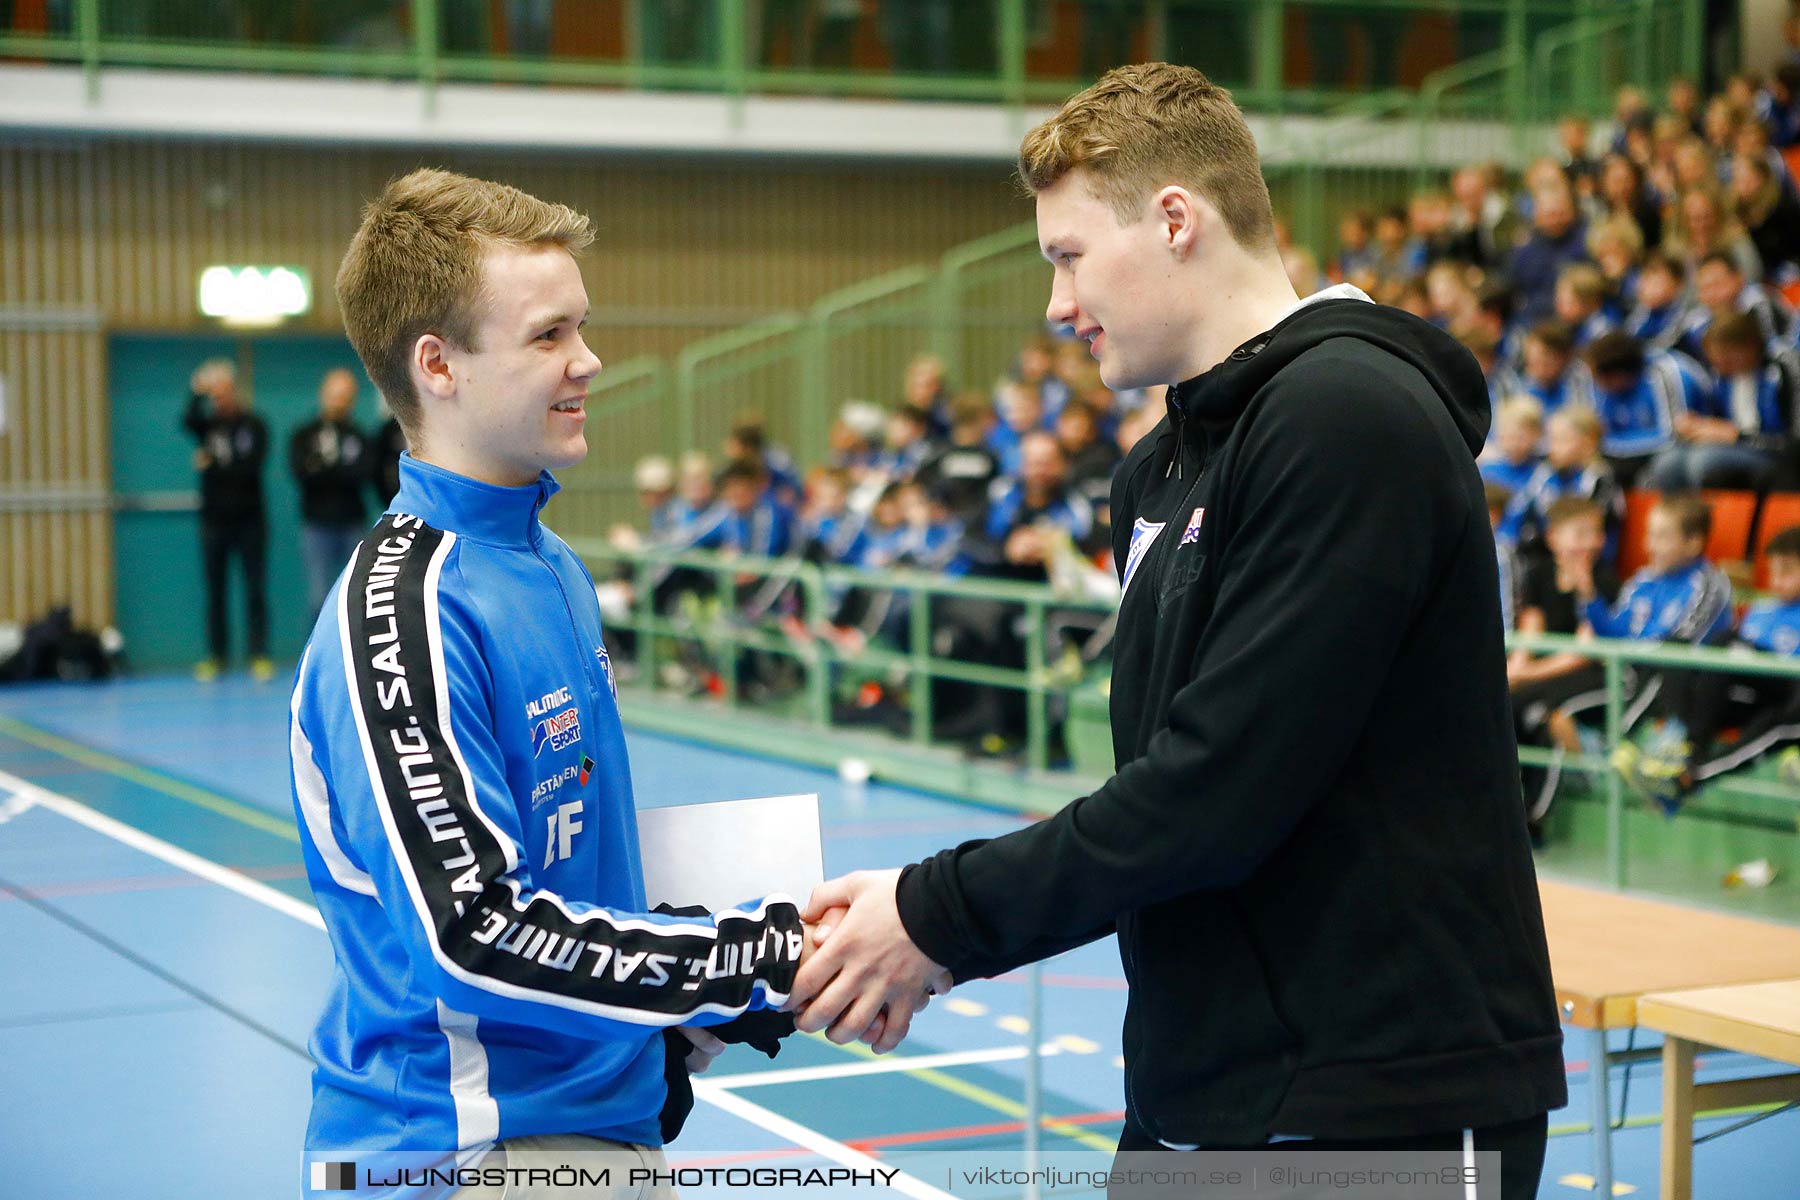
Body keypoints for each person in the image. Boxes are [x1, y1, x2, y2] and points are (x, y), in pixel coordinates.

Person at [785, 64, 1565, 1200]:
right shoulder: (1159, 467)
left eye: (1068, 257)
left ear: (1175, 220)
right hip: (1207, 1085)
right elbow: (1166, 781)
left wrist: (935, 914)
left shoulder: (1349, 419)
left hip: (1381, 1095)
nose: (1055, 308)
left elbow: (1220, 788)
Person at [292, 168, 818, 1197]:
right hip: (468, 1147)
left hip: (590, 1125)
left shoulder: (547, 563)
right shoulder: (406, 609)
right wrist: (744, 961)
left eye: (581, 326)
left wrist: (676, 1025)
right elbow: (473, 930)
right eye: (548, 336)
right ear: (437, 366)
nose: (589, 360)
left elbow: (567, 871)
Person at [1615, 525, 1800, 812]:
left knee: (1725, 642)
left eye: (1787, 571)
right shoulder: (1761, 612)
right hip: (1751, 697)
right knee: (1678, 651)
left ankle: (1689, 761)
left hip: (1788, 694)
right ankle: (1674, 745)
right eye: (1773, 571)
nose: (1776, 580)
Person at [1508, 497, 1620, 836]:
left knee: (1544, 715)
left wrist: (1523, 675)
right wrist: (1515, 667)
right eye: (1580, 533)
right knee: (1504, 706)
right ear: (1553, 537)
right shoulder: (1539, 573)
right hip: (1548, 672)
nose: (1590, 542)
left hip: (1588, 674)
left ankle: (1533, 820)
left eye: (1596, 534)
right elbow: (1531, 631)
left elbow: (1582, 653)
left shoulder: (1604, 580)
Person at [182, 357, 272, 682]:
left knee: (254, 589)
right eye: (215, 395)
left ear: (235, 392)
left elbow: (249, 469)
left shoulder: (255, 425)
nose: (221, 400)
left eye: (225, 393)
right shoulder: (208, 426)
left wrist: (213, 463)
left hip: (250, 521)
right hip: (214, 523)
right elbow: (187, 419)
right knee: (215, 591)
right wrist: (197, 389)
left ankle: (258, 654)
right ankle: (216, 656)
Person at [289, 367, 372, 615]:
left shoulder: (359, 436)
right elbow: (302, 474)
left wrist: (324, 468)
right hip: (316, 524)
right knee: (319, 598)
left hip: (353, 522)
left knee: (358, 597)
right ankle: (319, 654)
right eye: (336, 395)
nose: (340, 402)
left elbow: (362, 474)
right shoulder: (304, 435)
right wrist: (338, 470)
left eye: (346, 396)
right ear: (323, 395)